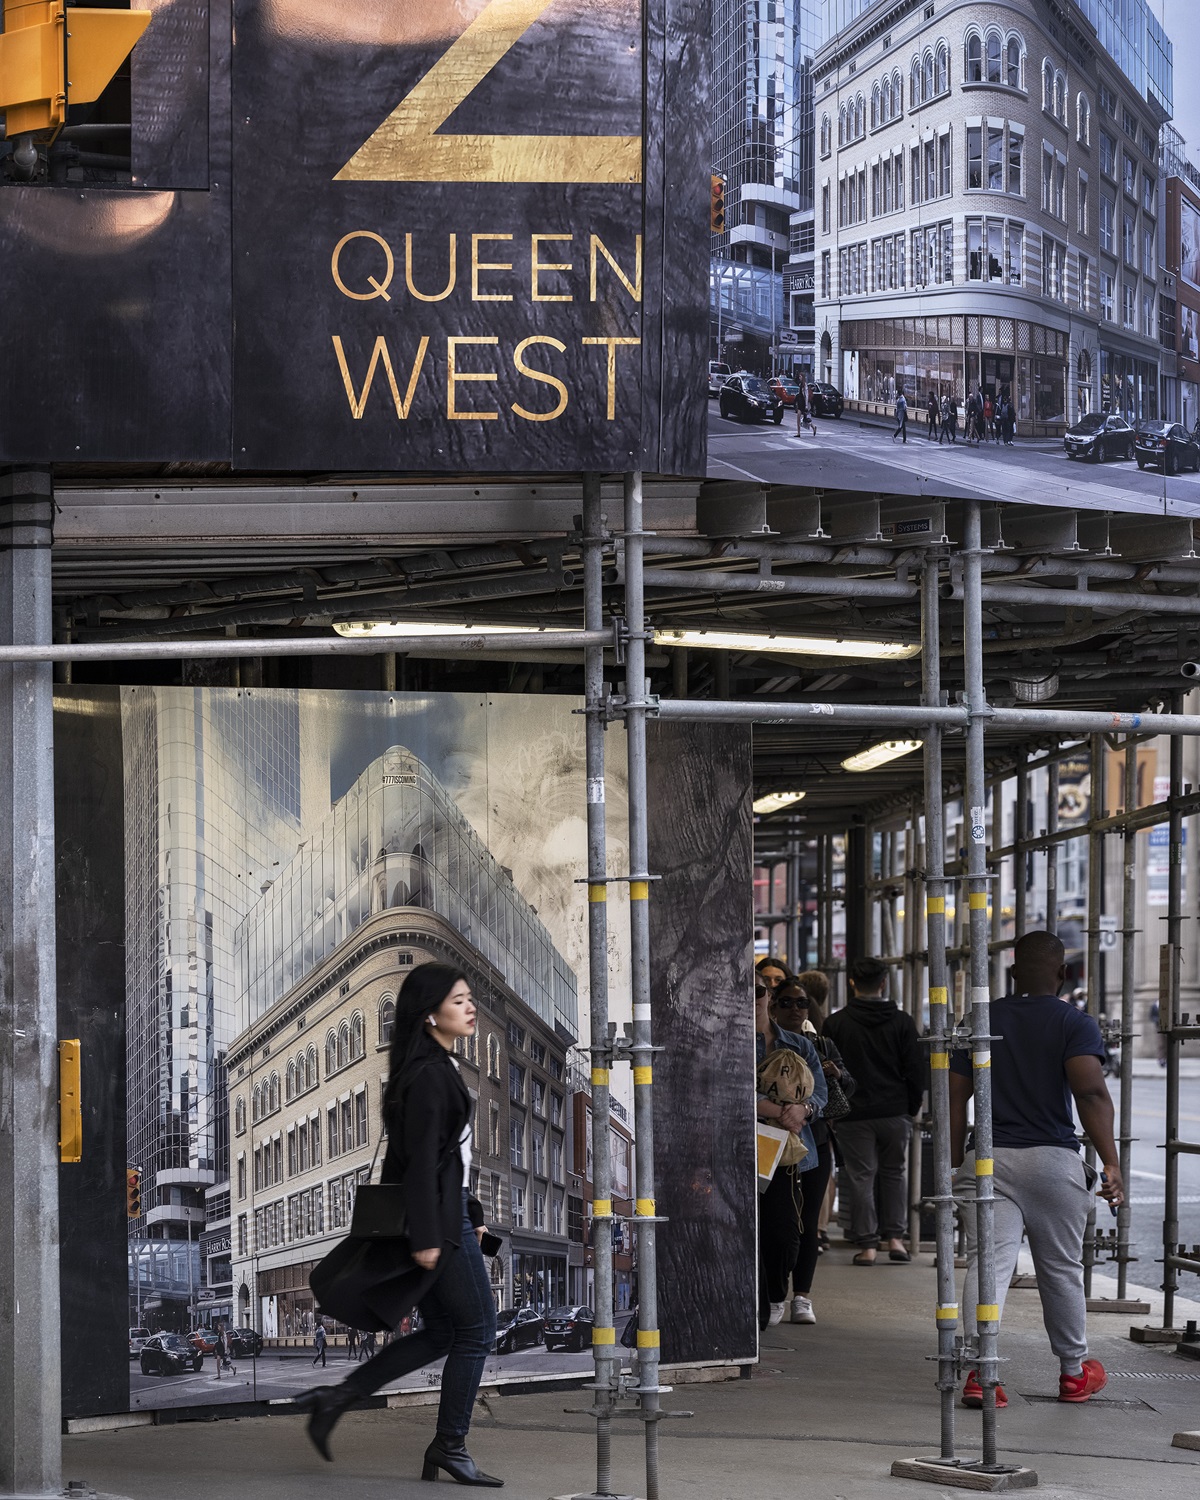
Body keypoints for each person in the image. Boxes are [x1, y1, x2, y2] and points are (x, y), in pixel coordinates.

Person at [301, 963, 502, 1486]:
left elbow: (445, 1158)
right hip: (436, 1222)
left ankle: (335, 1399)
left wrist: (470, 1217)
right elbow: (414, 1163)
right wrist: (431, 1238)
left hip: (447, 1216)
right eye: (459, 1000)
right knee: (478, 1330)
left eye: (468, 998)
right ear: (431, 1013)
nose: (469, 1006)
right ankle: (450, 1445)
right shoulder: (430, 1076)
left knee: (442, 1332)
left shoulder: (434, 1067)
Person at [950, 931, 1125, 1407]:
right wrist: (1110, 1162)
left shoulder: (980, 1020)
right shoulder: (1074, 1022)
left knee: (988, 1265)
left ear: (1011, 974)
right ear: (1063, 974)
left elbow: (954, 1096)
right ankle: (1073, 1372)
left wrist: (950, 1165)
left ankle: (979, 1374)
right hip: (1053, 1161)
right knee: (1061, 1270)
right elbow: (1090, 1093)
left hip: (988, 1160)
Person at [823, 957, 924, 1264]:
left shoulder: (836, 1023)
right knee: (895, 1173)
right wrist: (910, 1107)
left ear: (852, 983)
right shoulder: (903, 1022)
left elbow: (827, 1072)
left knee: (860, 1177)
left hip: (853, 1115)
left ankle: (867, 1245)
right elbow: (916, 1070)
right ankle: (896, 1240)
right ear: (883, 983)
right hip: (894, 1112)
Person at [771, 979, 855, 1323]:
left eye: (801, 1003)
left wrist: (834, 1074)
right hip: (769, 1139)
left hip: (813, 1140)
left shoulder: (820, 1044)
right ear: (773, 1004)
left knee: (806, 1221)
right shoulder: (764, 1043)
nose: (794, 1009)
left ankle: (801, 1296)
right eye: (786, 1002)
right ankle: (775, 1295)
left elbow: (845, 1090)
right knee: (778, 1222)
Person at [755, 976, 828, 1328]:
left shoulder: (800, 1045)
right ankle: (765, 1298)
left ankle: (780, 1292)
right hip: (745, 1147)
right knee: (753, 1228)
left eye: (756, 990)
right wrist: (770, 1108)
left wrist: (805, 1110)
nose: (750, 998)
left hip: (791, 1152)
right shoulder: (729, 1042)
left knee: (786, 1231)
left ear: (767, 996)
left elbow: (822, 1093)